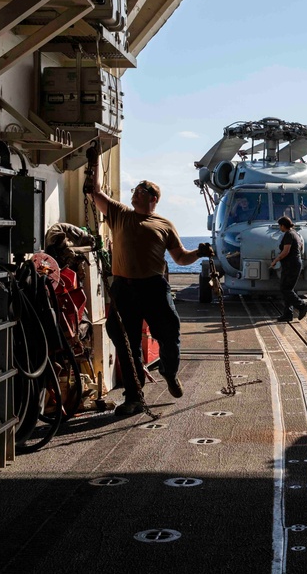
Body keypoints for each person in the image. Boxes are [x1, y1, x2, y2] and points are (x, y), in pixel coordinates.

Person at [85, 146, 214, 416]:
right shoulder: (120, 214)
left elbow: (180, 258)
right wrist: (94, 159)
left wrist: (200, 253)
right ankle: (133, 397)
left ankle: (169, 371)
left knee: (170, 335)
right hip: (124, 288)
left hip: (154, 288)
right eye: (133, 191)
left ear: (153, 198)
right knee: (126, 343)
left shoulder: (164, 225)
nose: (133, 193)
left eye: (139, 191)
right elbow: (95, 192)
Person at [270, 216, 307, 322]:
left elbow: (286, 251)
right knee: (287, 289)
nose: (280, 228)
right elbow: (300, 248)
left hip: (290, 265)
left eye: (280, 226)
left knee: (285, 289)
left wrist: (275, 260)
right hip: (294, 264)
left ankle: (302, 306)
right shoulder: (296, 234)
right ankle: (288, 314)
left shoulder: (288, 235)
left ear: (283, 225)